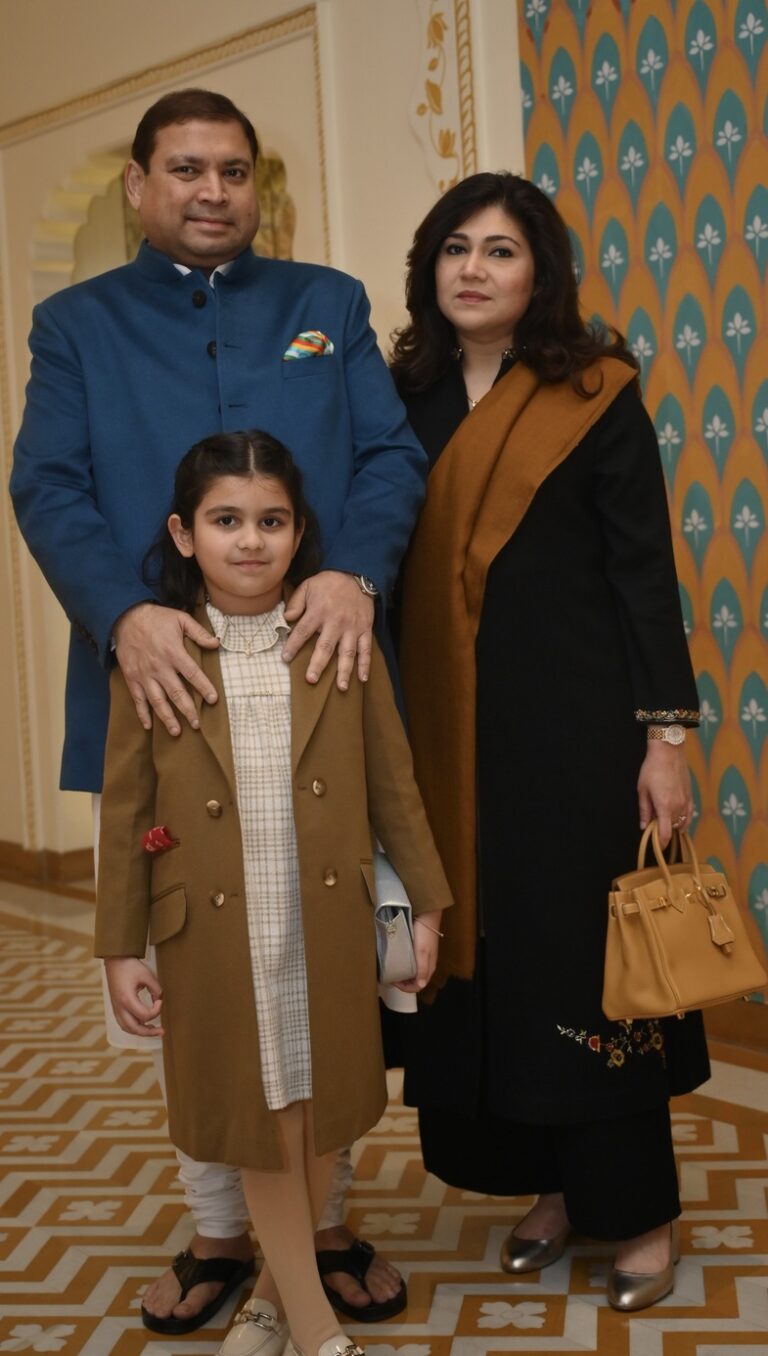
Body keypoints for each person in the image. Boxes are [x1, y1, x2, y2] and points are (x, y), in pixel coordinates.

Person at [10, 88, 427, 1331]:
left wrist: (352, 575)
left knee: (321, 969)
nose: (211, 190)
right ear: (139, 186)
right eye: (184, 168)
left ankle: (328, 1216)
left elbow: (391, 456)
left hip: (316, 695)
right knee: (203, 986)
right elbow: (47, 483)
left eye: (234, 170)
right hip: (167, 690)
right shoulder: (75, 323)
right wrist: (119, 612)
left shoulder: (326, 306)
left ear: (261, 188)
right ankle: (218, 1234)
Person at [390, 172, 711, 1312]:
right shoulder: (399, 397)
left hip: (574, 737)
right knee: (485, 962)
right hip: (437, 737)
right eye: (455, 248)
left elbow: (642, 571)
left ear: (542, 275)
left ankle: (640, 1215)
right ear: (430, 268)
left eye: (502, 251)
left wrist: (662, 740)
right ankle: (550, 1189)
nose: (474, 268)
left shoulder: (593, 390)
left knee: (584, 964)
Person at [94, 429, 452, 1356]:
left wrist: (428, 903)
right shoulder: (154, 652)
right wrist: (119, 945)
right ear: (183, 534)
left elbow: (393, 782)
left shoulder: (334, 636)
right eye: (225, 520)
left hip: (320, 918)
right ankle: (320, 1327)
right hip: (214, 935)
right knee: (260, 1121)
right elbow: (126, 810)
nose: (249, 540)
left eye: (271, 520)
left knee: (321, 1101)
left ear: (299, 534)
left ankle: (274, 1305)